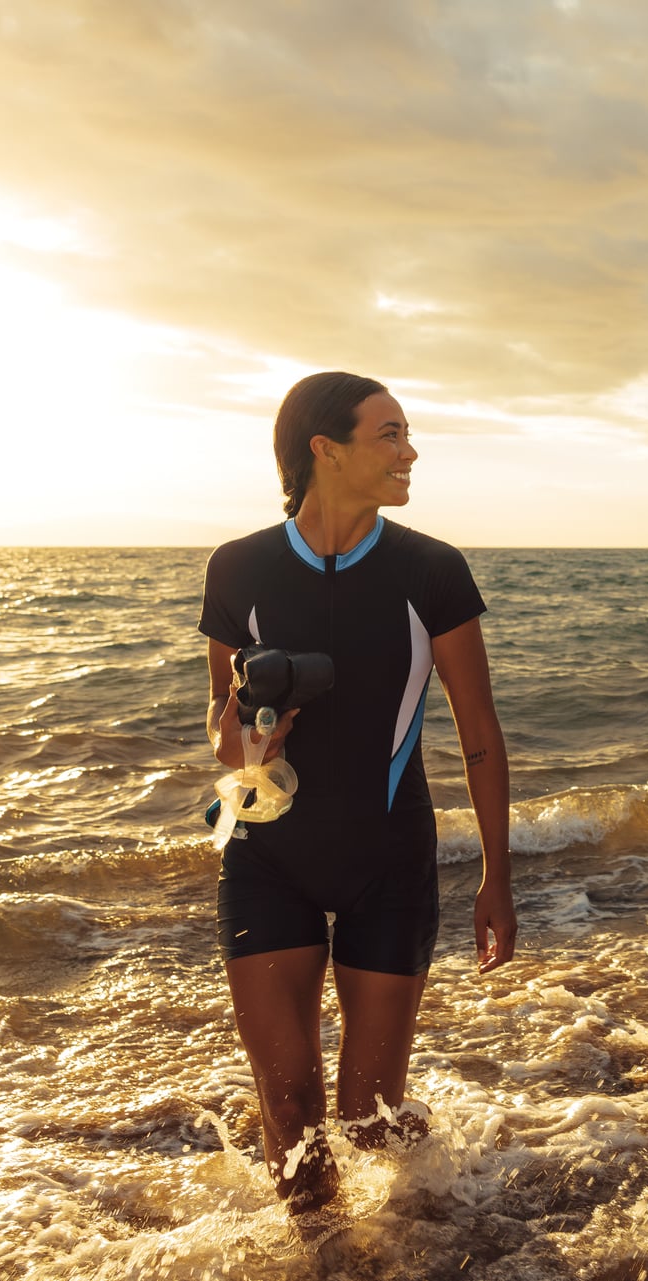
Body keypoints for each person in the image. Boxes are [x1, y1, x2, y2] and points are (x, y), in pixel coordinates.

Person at [198, 372, 517, 1214]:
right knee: (291, 1110)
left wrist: (497, 874)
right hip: (266, 853)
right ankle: (328, 1261)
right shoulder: (238, 568)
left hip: (388, 856)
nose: (409, 452)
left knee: (368, 1118)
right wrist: (253, 731)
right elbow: (221, 734)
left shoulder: (431, 570)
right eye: (391, 435)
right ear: (324, 449)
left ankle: (447, 1209)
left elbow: (479, 733)